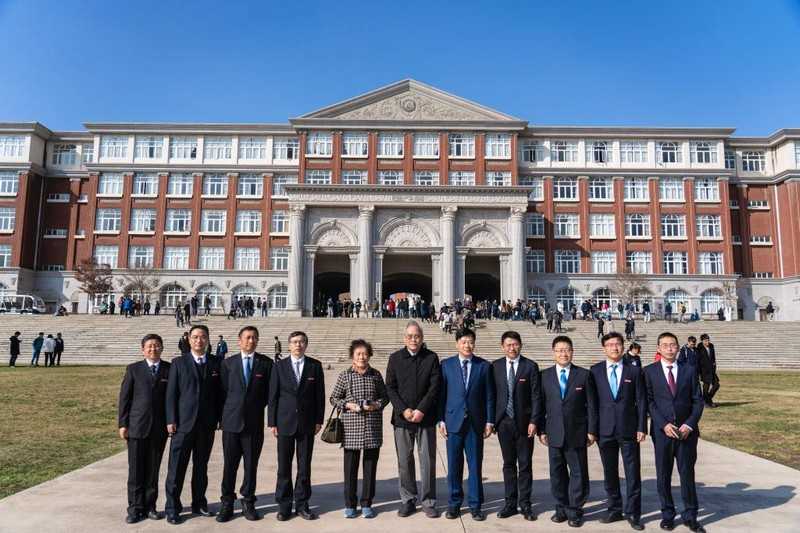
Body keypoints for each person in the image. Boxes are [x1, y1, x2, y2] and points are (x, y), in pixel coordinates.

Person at [644, 332, 705, 533]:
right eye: (665, 345)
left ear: (678, 348)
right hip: (663, 433)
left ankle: (691, 515)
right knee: (663, 475)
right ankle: (668, 514)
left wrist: (689, 425)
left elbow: (698, 401)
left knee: (687, 474)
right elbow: (649, 402)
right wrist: (663, 424)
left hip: (687, 433)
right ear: (658, 348)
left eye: (673, 345)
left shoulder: (689, 370)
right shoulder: (649, 372)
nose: (670, 348)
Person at [164, 325, 222, 524]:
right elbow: (171, 394)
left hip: (206, 425)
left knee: (201, 467)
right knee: (176, 468)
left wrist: (219, 418)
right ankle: (173, 507)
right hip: (182, 425)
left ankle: (199, 502)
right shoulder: (178, 363)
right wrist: (170, 419)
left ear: (208, 340)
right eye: (195, 337)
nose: (199, 340)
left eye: (203, 337)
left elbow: (220, 394)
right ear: (189, 339)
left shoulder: (216, 363)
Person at [538, 335, 597, 528]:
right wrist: (541, 430)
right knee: (557, 474)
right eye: (560, 350)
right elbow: (540, 405)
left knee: (578, 473)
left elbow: (592, 406)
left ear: (572, 352)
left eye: (567, 350)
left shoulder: (584, 375)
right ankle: (561, 508)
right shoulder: (544, 376)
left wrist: (591, 430)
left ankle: (575, 510)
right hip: (553, 433)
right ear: (553, 352)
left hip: (577, 433)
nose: (563, 354)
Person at [590, 332, 647, 530]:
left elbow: (641, 401)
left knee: (632, 472)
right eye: (610, 344)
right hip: (604, 431)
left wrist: (641, 427)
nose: (614, 348)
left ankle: (633, 513)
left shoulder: (634, 371)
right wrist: (592, 430)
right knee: (610, 472)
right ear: (604, 348)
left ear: (623, 347)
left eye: (618, 344)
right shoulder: (595, 371)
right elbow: (592, 404)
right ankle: (614, 509)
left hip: (629, 430)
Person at [385, 320, 441, 518]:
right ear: (404, 338)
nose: (413, 340)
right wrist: (404, 410)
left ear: (422, 338)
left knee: (428, 461)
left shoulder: (431, 358)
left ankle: (428, 501)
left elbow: (435, 387)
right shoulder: (395, 358)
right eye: (410, 336)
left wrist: (421, 410)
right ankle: (408, 499)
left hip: (425, 418)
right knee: (404, 460)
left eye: (417, 336)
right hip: (402, 419)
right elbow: (390, 387)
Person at [216, 326, 273, 522]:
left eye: (255, 337)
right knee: (229, 465)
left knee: (251, 466)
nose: (251, 341)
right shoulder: (228, 363)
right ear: (239, 341)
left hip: (253, 424)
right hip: (231, 423)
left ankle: (248, 501)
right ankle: (227, 503)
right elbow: (222, 392)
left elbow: (269, 394)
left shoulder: (266, 364)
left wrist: (254, 408)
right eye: (248, 337)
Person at [268, 331, 325, 521]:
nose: (298, 345)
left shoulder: (314, 366)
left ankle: (302, 504)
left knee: (304, 466)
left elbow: (320, 396)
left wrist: (318, 420)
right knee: (284, 466)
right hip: (284, 422)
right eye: (294, 342)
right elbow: (273, 396)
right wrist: (272, 422)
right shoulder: (279, 366)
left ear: (306, 345)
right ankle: (284, 505)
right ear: (289, 345)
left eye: (301, 342)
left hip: (307, 423)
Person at [438, 328, 494, 522]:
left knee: (475, 466)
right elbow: (441, 395)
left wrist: (489, 421)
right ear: (457, 344)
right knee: (454, 467)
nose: (467, 345)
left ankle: (475, 505)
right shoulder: (446, 365)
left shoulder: (484, 366)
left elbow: (489, 396)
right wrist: (441, 420)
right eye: (463, 342)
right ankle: (454, 504)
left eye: (470, 342)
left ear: (474, 343)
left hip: (475, 424)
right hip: (453, 423)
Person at [329, 339, 389, 518]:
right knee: (350, 469)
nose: (362, 357)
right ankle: (350, 504)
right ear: (352, 356)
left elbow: (385, 397)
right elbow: (334, 398)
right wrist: (348, 405)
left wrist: (376, 405)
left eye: (365, 354)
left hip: (372, 427)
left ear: (369, 355)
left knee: (370, 468)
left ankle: (367, 503)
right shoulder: (345, 375)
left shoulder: (376, 375)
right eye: (358, 354)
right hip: (351, 428)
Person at [117, 334, 171, 524]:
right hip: (137, 427)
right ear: (143, 350)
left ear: (162, 348)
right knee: (135, 470)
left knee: (153, 470)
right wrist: (123, 424)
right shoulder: (134, 369)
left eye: (156, 346)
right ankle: (134, 508)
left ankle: (150, 506)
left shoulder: (169, 369)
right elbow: (125, 398)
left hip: (159, 429)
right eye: (149, 346)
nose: (153, 349)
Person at [491, 331, 541, 521]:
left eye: (515, 344)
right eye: (508, 345)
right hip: (503, 423)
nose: (512, 348)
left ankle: (525, 504)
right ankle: (510, 503)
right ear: (502, 347)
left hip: (525, 424)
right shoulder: (495, 366)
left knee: (525, 464)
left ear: (520, 345)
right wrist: (492, 421)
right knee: (508, 464)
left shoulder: (530, 366)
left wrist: (534, 421)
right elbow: (492, 395)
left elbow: (536, 396)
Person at [697, 334, 720, 408]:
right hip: (704, 371)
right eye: (706, 340)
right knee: (706, 387)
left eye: (708, 340)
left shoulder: (711, 346)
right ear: (702, 341)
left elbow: (713, 357)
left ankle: (707, 400)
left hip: (712, 370)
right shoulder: (699, 348)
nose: (707, 342)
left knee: (716, 385)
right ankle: (706, 402)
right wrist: (699, 372)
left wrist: (714, 366)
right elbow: (698, 361)